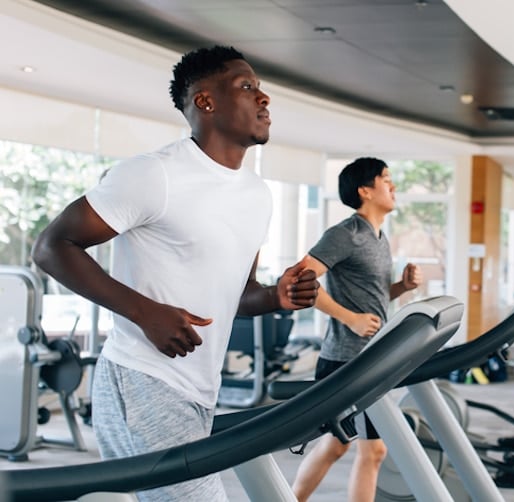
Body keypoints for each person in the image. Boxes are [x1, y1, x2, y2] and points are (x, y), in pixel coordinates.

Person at [32, 45, 319, 502]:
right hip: (142, 378)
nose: (264, 99)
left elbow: (237, 294)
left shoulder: (256, 195)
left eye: (261, 90)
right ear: (205, 101)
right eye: (247, 87)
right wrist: (145, 313)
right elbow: (52, 247)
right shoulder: (153, 175)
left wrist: (274, 297)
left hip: (202, 388)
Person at [291, 157, 423, 502]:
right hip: (345, 360)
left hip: (372, 357)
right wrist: (349, 318)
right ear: (365, 190)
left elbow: (373, 297)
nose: (393, 187)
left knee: (347, 447)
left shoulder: (379, 238)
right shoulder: (345, 234)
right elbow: (298, 280)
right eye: (386, 180)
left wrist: (401, 288)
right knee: (360, 449)